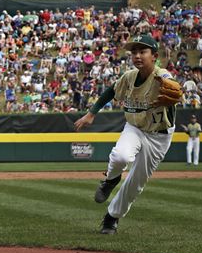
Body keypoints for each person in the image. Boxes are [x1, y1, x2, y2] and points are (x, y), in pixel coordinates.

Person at [74, 35, 181, 234]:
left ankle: (111, 217)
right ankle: (110, 180)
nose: (138, 56)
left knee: (135, 183)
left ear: (154, 56)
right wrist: (91, 113)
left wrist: (172, 93)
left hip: (159, 136)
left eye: (143, 51)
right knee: (121, 155)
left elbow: (172, 86)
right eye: (134, 52)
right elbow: (110, 92)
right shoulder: (129, 76)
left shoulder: (162, 76)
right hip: (134, 127)